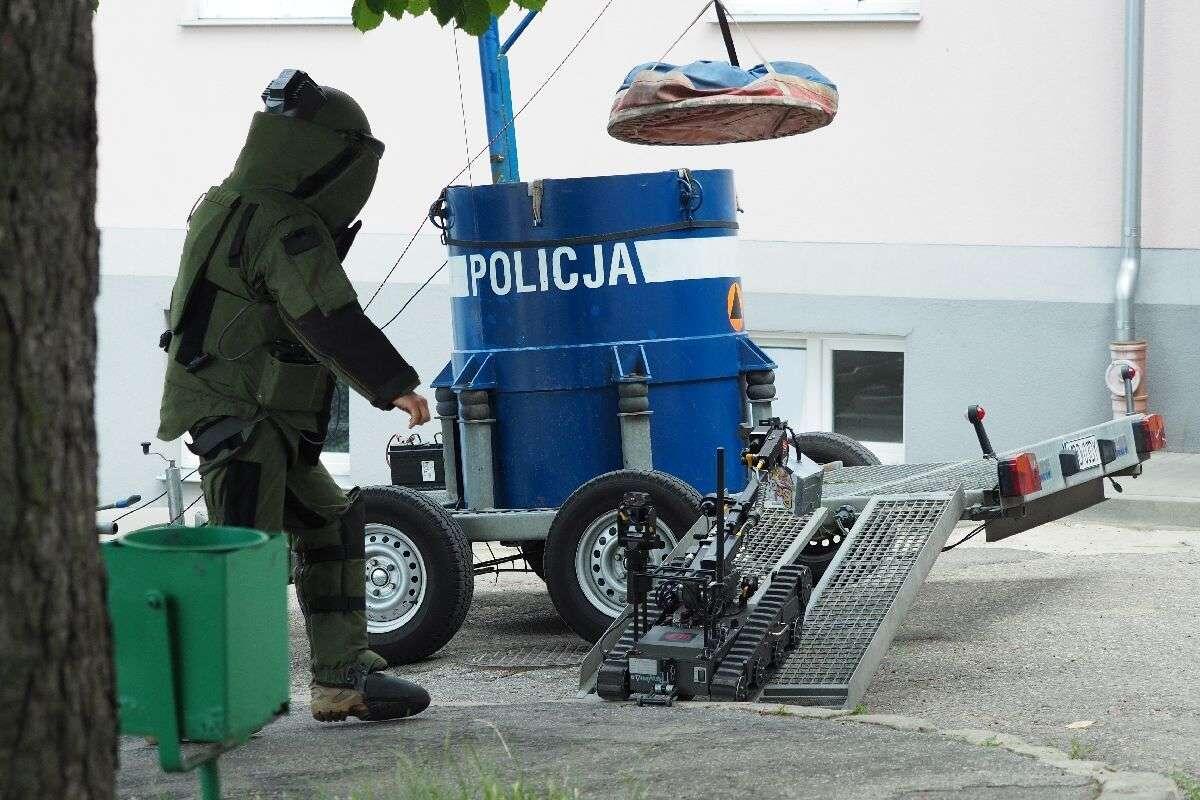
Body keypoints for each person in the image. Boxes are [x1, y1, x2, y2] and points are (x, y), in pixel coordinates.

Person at [156, 69, 431, 722]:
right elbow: (324, 314)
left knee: (333, 524)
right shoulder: (279, 222)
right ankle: (199, 700)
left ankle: (342, 679)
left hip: (258, 415)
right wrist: (393, 385)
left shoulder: (224, 203)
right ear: (328, 157)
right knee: (242, 556)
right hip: (243, 416)